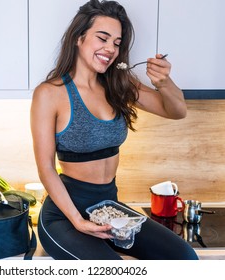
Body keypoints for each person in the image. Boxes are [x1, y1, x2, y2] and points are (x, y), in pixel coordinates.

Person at [30, 0, 198, 260]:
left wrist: (165, 82)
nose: (110, 49)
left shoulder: (120, 84)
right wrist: (78, 220)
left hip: (110, 210)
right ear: (78, 38)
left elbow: (177, 111)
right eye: (102, 38)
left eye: (117, 43)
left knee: (184, 258)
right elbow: (46, 168)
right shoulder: (50, 94)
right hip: (63, 217)